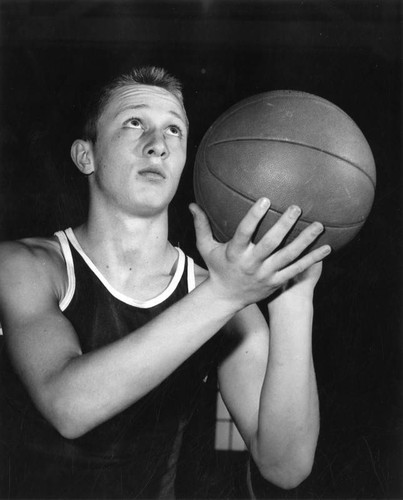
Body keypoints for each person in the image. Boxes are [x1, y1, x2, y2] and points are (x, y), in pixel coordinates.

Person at [0, 66, 331, 499]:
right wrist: (225, 294)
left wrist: (294, 296)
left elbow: (285, 466)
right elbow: (69, 405)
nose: (157, 145)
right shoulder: (24, 265)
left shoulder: (223, 297)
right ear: (87, 155)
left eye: (174, 130)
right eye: (134, 122)